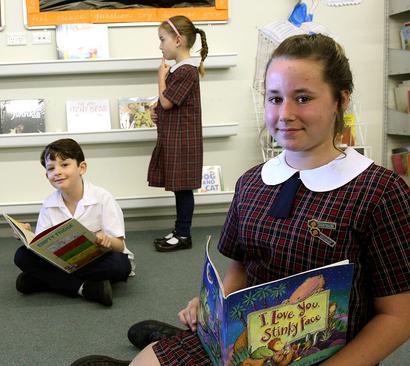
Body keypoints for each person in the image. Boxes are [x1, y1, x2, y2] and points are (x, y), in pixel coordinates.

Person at [71, 34, 410, 366]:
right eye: (275, 99)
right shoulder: (252, 182)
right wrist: (212, 308)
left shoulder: (380, 192)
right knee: (144, 361)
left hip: (326, 355)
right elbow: (238, 272)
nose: (286, 113)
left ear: (341, 100)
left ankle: (170, 337)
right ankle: (177, 338)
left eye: (303, 98)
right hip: (243, 344)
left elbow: (398, 315)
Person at [13, 138, 134, 306]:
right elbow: (42, 248)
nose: (57, 172)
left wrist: (106, 241)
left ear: (81, 168)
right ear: (46, 175)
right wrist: (27, 236)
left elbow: (119, 246)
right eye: (51, 168)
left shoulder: (102, 198)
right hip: (63, 261)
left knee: (121, 266)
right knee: (21, 256)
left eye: (64, 165)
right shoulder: (49, 204)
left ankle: (43, 280)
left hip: (96, 259)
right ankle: (85, 288)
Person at [148, 15, 208, 252]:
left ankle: (183, 234)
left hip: (184, 141)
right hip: (177, 138)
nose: (160, 46)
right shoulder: (182, 71)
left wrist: (160, 78)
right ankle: (179, 229)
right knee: (180, 187)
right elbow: (166, 105)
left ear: (179, 40)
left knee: (183, 189)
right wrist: (157, 113)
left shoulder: (186, 71)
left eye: (163, 40)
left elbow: (167, 103)